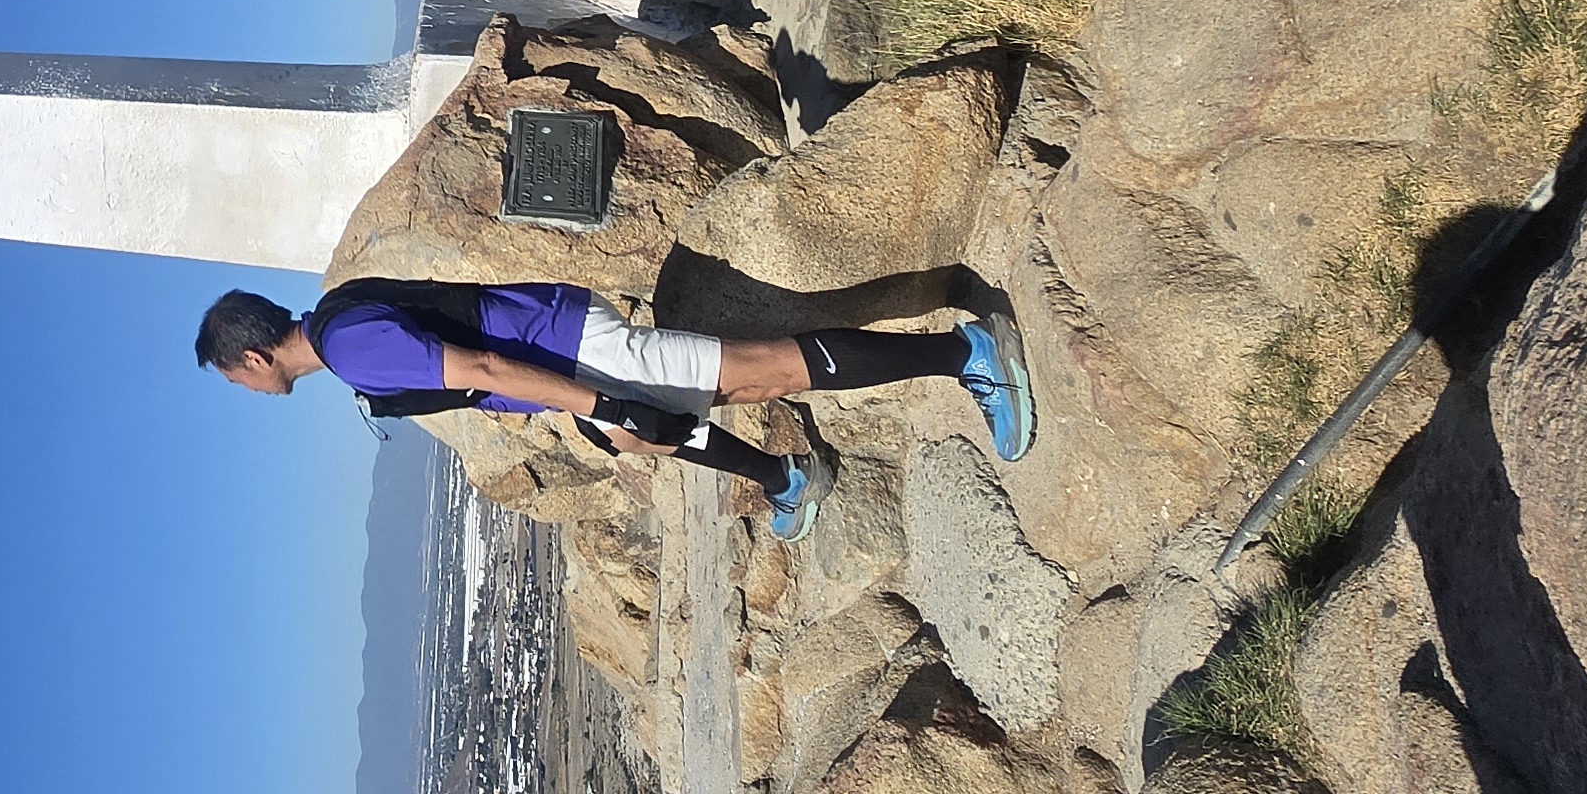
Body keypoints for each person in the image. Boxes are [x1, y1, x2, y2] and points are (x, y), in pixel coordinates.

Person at [193, 277, 1031, 546]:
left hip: (572, 352)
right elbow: (473, 369)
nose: (246, 391)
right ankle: (786, 479)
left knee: (760, 374)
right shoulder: (341, 322)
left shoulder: (349, 348)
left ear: (256, 356)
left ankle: (967, 354)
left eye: (237, 380)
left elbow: (479, 360)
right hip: (558, 358)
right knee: (669, 425)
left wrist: (600, 398)